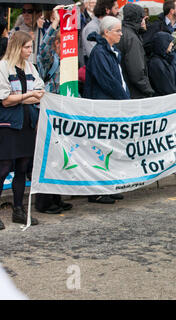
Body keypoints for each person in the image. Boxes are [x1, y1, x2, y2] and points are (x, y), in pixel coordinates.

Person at [0, 31, 45, 229]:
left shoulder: (30, 67)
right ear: (17, 47)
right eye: (27, 47)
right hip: (9, 124)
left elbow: (40, 93)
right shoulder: (3, 67)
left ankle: (18, 208)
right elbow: (5, 100)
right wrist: (28, 95)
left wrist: (24, 96)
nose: (29, 51)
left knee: (23, 166)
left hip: (28, 123)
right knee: (3, 168)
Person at [84, 16, 130, 204]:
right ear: (106, 32)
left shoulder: (111, 51)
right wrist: (125, 99)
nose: (120, 34)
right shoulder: (100, 53)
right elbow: (108, 81)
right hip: (102, 106)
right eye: (117, 31)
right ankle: (96, 190)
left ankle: (108, 186)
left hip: (112, 106)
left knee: (111, 148)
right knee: (100, 149)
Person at [34, 6, 74, 215]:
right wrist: (55, 24)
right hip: (48, 112)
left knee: (60, 156)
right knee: (49, 155)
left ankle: (56, 198)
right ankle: (44, 202)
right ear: (57, 43)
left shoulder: (66, 61)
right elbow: (44, 48)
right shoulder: (48, 59)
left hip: (62, 111)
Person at [115, 3, 154, 99]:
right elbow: (136, 71)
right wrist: (148, 90)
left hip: (125, 89)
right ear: (138, 19)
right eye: (144, 19)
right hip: (135, 93)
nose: (146, 22)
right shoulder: (132, 38)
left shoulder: (122, 32)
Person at [147, 32, 176, 96]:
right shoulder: (156, 63)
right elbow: (166, 87)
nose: (172, 44)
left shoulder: (164, 59)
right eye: (169, 42)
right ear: (163, 43)